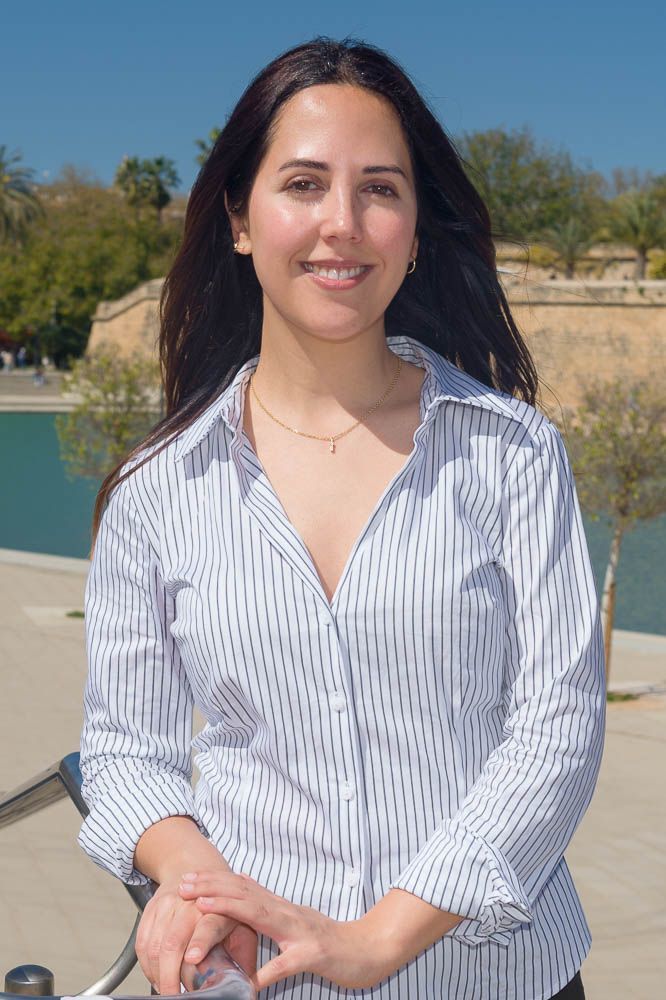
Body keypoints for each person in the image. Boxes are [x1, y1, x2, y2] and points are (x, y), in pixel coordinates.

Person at [78, 36, 605, 1000]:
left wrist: (382, 940)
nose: (343, 224)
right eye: (305, 184)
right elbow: (125, 754)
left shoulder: (513, 454)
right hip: (262, 978)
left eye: (381, 189)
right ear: (240, 216)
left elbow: (558, 730)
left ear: (415, 229)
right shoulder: (157, 490)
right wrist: (195, 885)